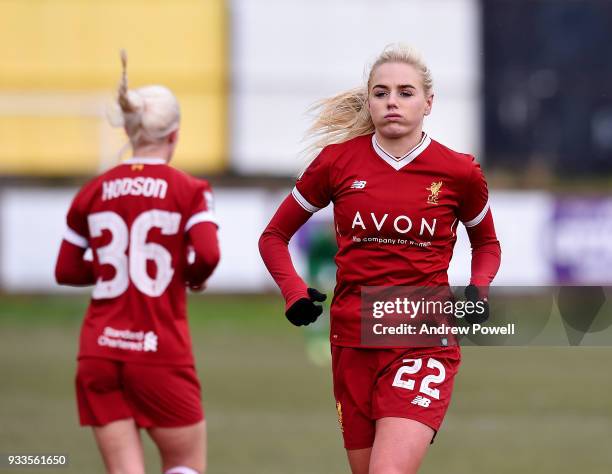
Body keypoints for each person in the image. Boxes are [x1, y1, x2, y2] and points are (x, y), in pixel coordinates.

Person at [259, 44, 501, 474]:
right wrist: (293, 291)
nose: (392, 101)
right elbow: (274, 236)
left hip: (423, 341)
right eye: (381, 92)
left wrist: (477, 290)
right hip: (351, 341)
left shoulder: (458, 171)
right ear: (368, 101)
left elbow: (487, 245)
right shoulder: (336, 163)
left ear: (429, 102)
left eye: (405, 92)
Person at [55, 51, 219, 474]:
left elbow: (66, 270)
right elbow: (209, 255)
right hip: (158, 349)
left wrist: (118, 266)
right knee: (185, 464)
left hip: (98, 352)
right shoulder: (190, 189)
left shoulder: (92, 191)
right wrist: (188, 273)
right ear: (174, 135)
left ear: (128, 130)